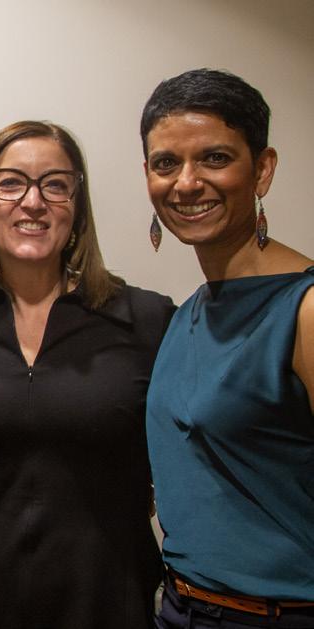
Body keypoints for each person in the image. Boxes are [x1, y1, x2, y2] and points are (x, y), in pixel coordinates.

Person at [0, 121, 175, 628]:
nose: (33, 201)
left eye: (55, 184)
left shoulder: (147, 319)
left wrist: (122, 487)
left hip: (111, 596)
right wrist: (11, 494)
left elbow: (192, 445)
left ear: (77, 209)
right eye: (11, 183)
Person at [141, 69, 314, 627]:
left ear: (262, 169)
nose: (187, 183)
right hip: (181, 606)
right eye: (166, 163)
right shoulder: (186, 312)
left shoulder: (304, 308)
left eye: (214, 158)